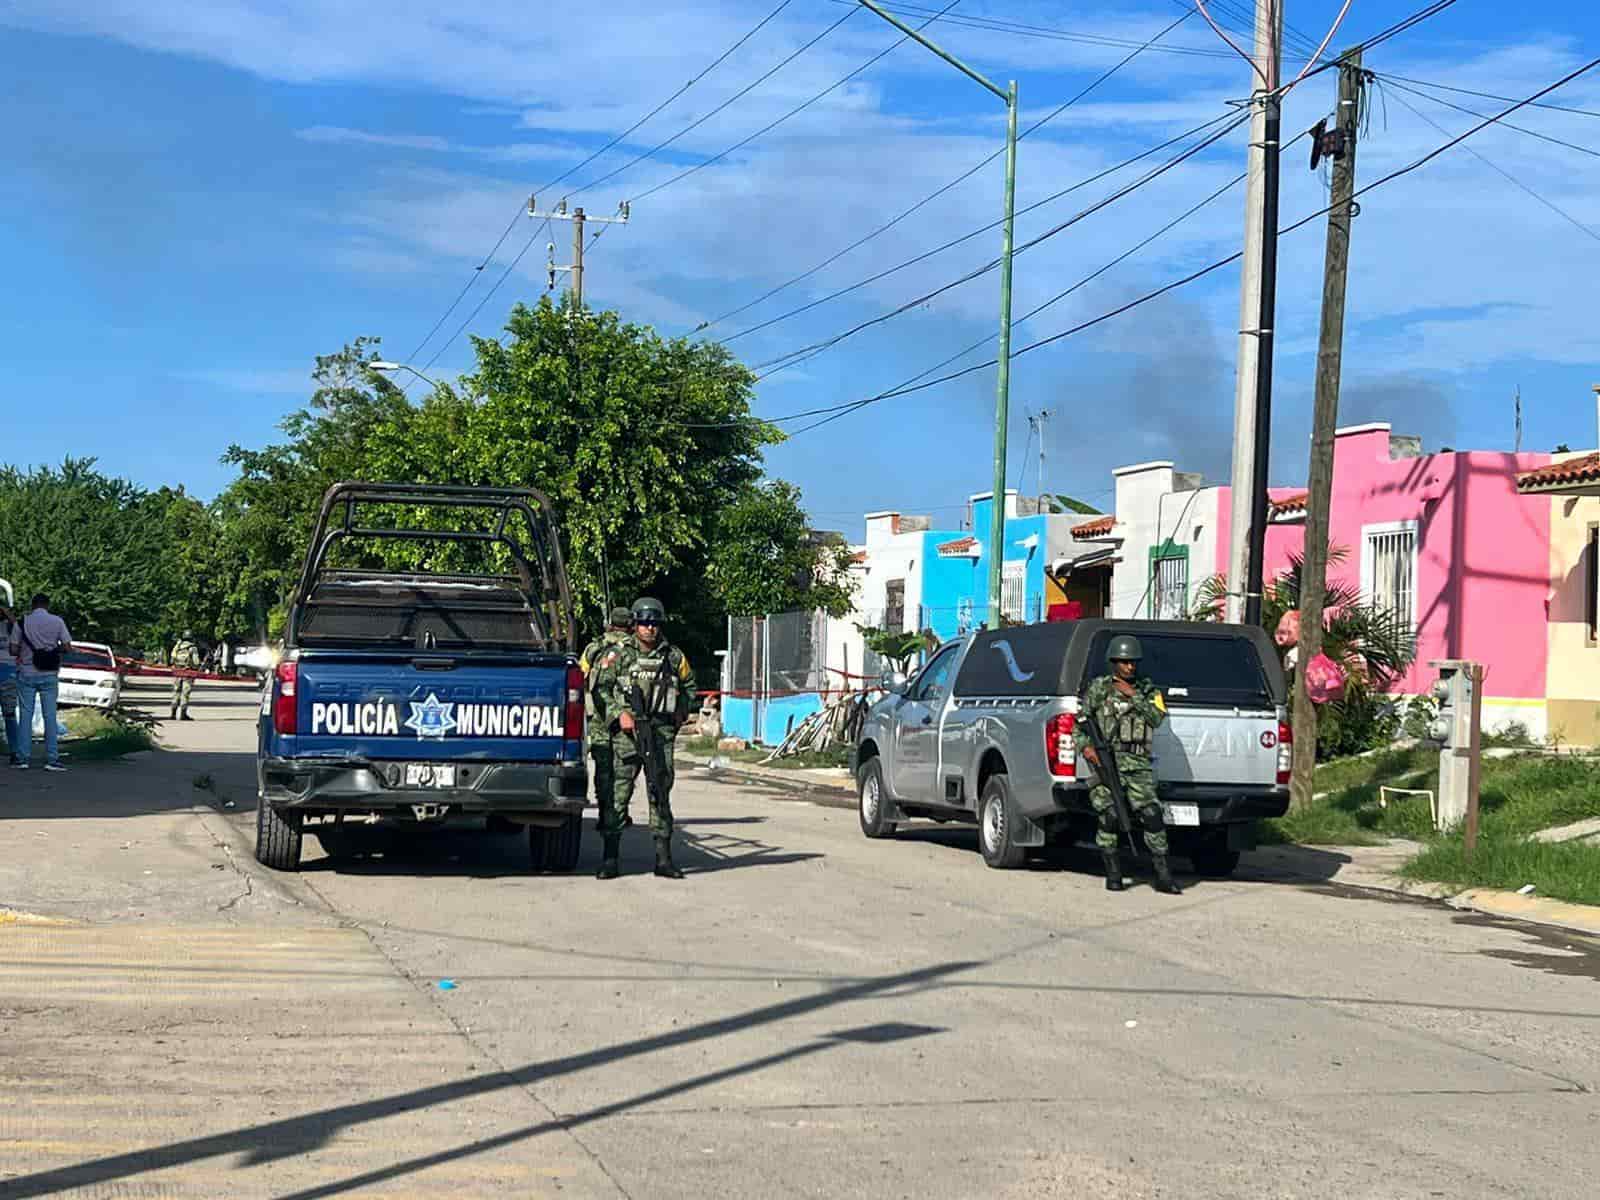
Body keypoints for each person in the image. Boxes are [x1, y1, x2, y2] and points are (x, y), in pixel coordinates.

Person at [589, 596, 694, 881]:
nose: (650, 628)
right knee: (616, 797)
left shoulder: (673, 656)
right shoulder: (619, 654)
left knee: (659, 794)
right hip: (627, 736)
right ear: (635, 624)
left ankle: (663, 859)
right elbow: (601, 689)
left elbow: (689, 685)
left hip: (660, 736)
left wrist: (681, 711)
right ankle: (610, 858)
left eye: (654, 623)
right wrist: (617, 715)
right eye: (645, 623)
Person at [1075, 633, 1181, 895]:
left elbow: (1157, 719)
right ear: (1114, 662)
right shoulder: (1099, 688)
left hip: (1137, 763)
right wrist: (1086, 748)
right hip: (1106, 762)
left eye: (1133, 662)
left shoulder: (1148, 690)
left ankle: (1163, 875)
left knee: (1152, 815)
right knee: (1110, 816)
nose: (1129, 666)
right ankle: (1113, 874)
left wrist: (1134, 696)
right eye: (1124, 662)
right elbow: (1079, 724)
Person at [579, 606, 635, 828]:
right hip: (624, 715)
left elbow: (581, 674)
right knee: (625, 769)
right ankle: (618, 812)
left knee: (603, 769)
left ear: (610, 624)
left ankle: (604, 813)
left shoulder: (594, 648)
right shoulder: (631, 648)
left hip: (598, 717)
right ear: (630, 625)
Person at [9, 593, 72, 772]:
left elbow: (13, 650)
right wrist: (51, 650)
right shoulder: (57, 621)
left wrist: (27, 650)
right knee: (50, 716)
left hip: (27, 674)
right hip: (49, 674)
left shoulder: (21, 623)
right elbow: (68, 647)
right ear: (47, 605)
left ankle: (22, 759)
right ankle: (52, 759)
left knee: (26, 716)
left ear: (32, 605)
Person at [0, 605, 20, 766]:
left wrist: (6, 611)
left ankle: (15, 750)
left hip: (8, 674)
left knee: (9, 714)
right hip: (7, 672)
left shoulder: (9, 627)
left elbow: (16, 625)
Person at [169, 631, 202, 721]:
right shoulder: (193, 648)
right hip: (188, 673)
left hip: (177, 672)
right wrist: (197, 667)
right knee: (185, 693)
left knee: (176, 692)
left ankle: (173, 714)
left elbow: (172, 660)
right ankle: (183, 715)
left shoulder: (178, 646)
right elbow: (196, 662)